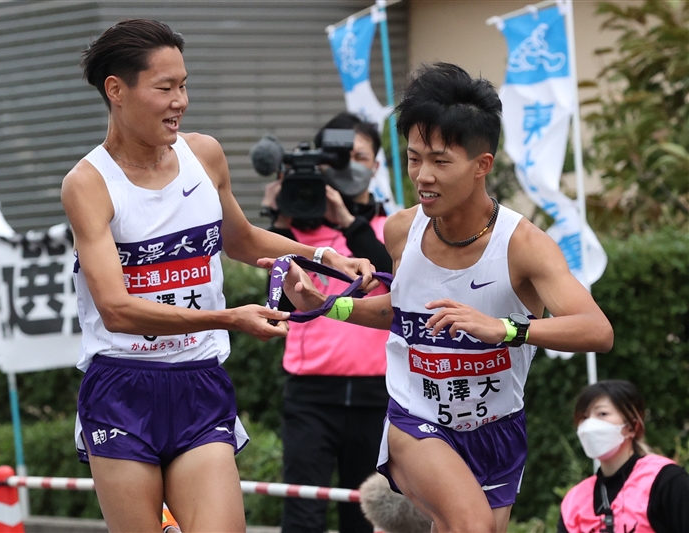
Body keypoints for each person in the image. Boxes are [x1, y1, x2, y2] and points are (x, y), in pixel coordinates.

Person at [271, 62, 615, 533]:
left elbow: (597, 330)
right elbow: (399, 312)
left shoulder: (523, 245)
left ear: (482, 166)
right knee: (470, 526)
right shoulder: (400, 229)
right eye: (414, 158)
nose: (423, 176)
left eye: (439, 161)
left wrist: (506, 329)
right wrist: (330, 305)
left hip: (498, 425)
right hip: (417, 418)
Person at [60, 19, 375, 533]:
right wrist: (230, 318)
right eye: (165, 88)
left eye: (184, 85)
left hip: (199, 379)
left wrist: (322, 256)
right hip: (122, 387)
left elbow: (243, 241)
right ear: (116, 90)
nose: (180, 100)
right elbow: (115, 310)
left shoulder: (203, 154)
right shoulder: (88, 184)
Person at [261, 113, 392, 533]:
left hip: (378, 394)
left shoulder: (393, 227)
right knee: (303, 510)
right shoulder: (299, 238)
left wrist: (348, 223)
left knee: (367, 512)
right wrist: (279, 222)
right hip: (311, 395)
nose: (350, 165)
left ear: (376, 164)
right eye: (340, 158)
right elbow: (279, 301)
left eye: (360, 156)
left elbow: (392, 275)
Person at [558, 380, 689, 533]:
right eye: (585, 417)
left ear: (632, 427)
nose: (589, 425)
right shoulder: (574, 501)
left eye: (602, 414)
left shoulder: (665, 480)